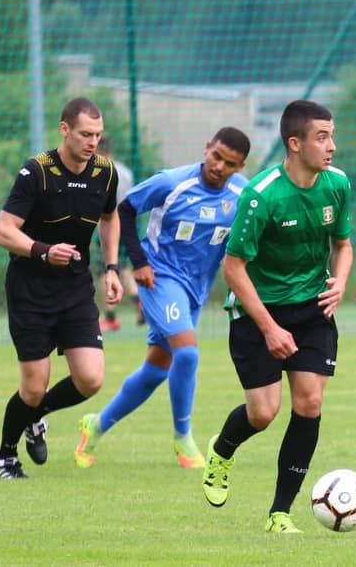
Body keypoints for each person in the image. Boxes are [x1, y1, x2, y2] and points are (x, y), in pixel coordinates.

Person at [200, 100, 353, 533]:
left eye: (332, 136)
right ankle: (222, 449)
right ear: (295, 143)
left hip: (312, 307)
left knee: (310, 403)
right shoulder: (261, 195)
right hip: (258, 311)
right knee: (264, 413)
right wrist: (269, 328)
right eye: (322, 137)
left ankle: (279, 514)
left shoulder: (337, 184)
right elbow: (233, 269)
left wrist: (340, 281)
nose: (332, 146)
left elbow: (343, 245)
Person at [74, 127, 252, 469]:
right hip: (160, 278)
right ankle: (183, 437)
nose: (219, 166)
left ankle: (95, 425)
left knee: (155, 372)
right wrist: (138, 263)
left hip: (196, 288)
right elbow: (124, 210)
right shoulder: (172, 182)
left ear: (240, 167)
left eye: (229, 163)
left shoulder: (243, 194)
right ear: (207, 147)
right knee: (187, 353)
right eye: (216, 156)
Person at [0, 97, 122, 479]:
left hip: (75, 289)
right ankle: (6, 454)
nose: (93, 142)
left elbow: (110, 217)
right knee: (33, 388)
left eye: (98, 135)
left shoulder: (105, 173)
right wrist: (43, 251)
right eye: (85, 134)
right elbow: (3, 231)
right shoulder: (37, 172)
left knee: (91, 379)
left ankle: (36, 417)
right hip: (29, 290)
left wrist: (112, 268)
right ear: (64, 129)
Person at [94, 135, 142, 331]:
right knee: (123, 268)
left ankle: (111, 317)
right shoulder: (125, 172)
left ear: (97, 150)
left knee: (105, 270)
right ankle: (140, 303)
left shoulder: (97, 171)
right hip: (127, 224)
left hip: (108, 225)